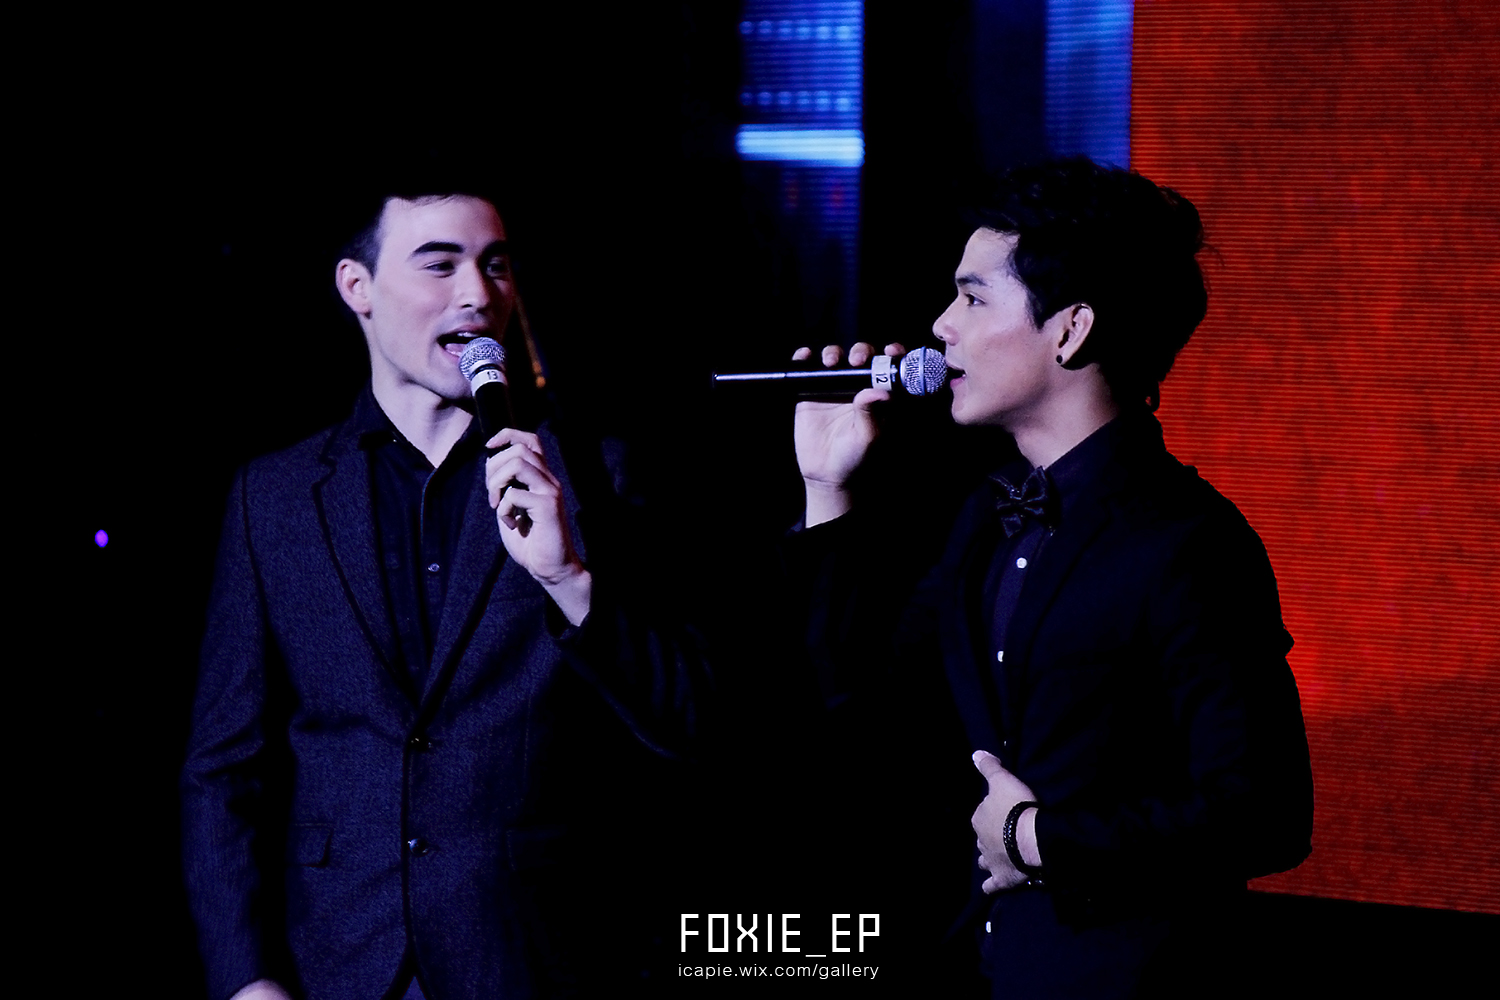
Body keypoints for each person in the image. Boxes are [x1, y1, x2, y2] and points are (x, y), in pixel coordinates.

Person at [785, 159, 1313, 997]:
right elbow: (858, 699)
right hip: (986, 966)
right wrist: (829, 490)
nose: (940, 326)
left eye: (972, 299)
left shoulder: (1188, 542)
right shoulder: (987, 513)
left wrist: (1036, 838)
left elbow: (1265, 812)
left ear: (1070, 330)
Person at [182, 170, 703, 1000]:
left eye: (496, 265)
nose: (478, 295)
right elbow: (223, 768)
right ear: (357, 287)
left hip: (527, 960)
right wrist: (246, 977)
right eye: (439, 263)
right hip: (337, 962)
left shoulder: (591, 478)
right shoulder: (273, 498)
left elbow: (684, 724)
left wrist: (569, 578)